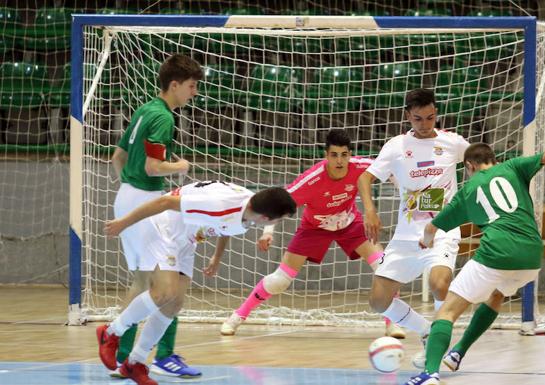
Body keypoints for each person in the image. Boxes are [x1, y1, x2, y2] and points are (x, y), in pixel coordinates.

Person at [404, 133, 545, 385]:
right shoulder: (513, 166)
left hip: (497, 252)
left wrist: (426, 241)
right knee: (497, 295)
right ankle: (458, 352)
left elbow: (431, 228)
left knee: (447, 312)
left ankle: (429, 374)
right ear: (493, 159)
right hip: (531, 257)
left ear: (469, 166)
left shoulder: (467, 190)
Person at [97, 181, 297, 385]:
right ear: (265, 218)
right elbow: (164, 202)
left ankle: (134, 363)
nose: (277, 224)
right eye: (278, 220)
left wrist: (216, 258)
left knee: (174, 304)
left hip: (187, 239)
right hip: (163, 230)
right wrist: (123, 223)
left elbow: (226, 226)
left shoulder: (248, 208)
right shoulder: (219, 204)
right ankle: (111, 331)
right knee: (164, 293)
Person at [220, 129, 405, 339]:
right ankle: (237, 317)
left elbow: (391, 172)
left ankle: (393, 323)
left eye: (344, 155)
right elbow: (279, 203)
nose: (340, 161)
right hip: (314, 228)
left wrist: (407, 196)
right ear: (326, 155)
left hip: (350, 223)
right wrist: (267, 231)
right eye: (334, 155)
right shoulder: (311, 180)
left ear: (349, 154)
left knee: (385, 267)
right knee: (279, 281)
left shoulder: (361, 167)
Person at [358, 89, 470, 366]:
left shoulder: (452, 142)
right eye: (418, 119)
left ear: (436, 114)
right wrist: (370, 210)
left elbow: (479, 164)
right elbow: (364, 178)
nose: (424, 124)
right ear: (408, 116)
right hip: (406, 235)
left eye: (430, 117)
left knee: (439, 283)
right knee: (378, 302)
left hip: (443, 230)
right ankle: (427, 330)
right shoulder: (396, 145)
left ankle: (439, 343)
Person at [109, 54, 203, 378]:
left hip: (128, 196)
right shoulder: (163, 117)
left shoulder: (144, 109)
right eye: (191, 86)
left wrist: (129, 192)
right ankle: (129, 344)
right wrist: (180, 166)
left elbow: (117, 157)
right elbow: (153, 167)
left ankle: (124, 357)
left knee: (143, 281)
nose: (194, 93)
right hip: (148, 200)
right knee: (168, 279)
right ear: (174, 85)